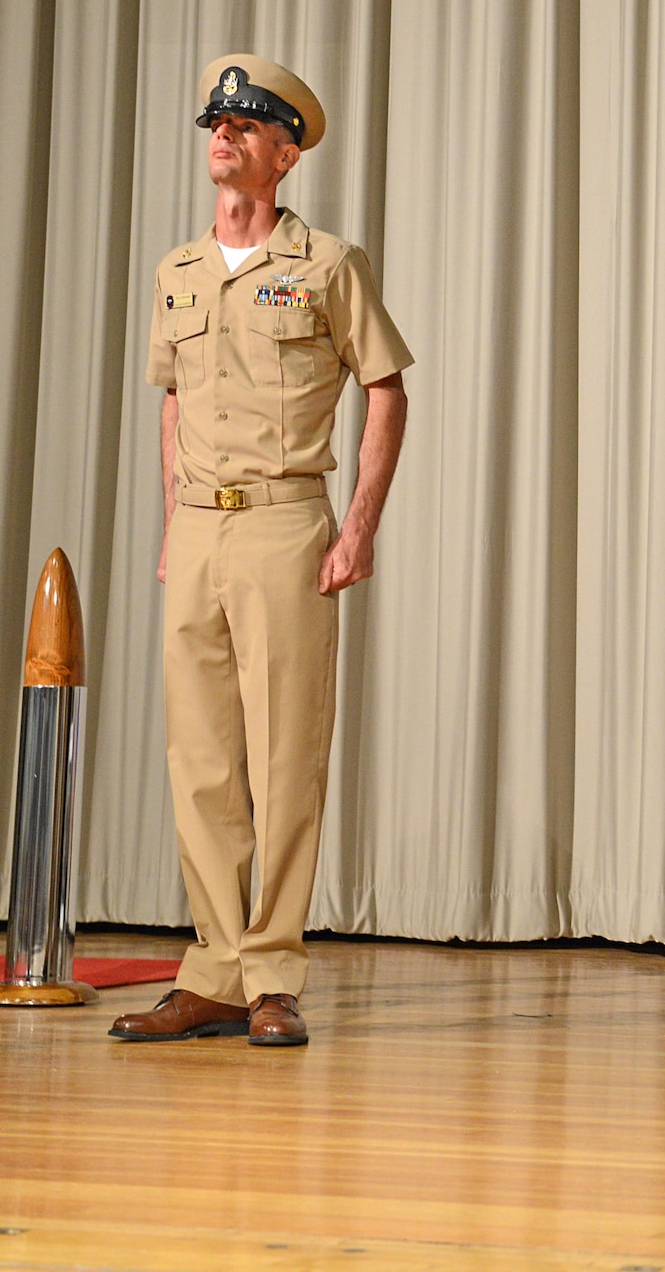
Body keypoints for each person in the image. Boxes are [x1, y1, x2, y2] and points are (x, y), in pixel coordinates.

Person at [111, 55, 413, 1048]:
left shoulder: (327, 265)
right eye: (217, 124)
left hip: (287, 520)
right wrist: (169, 523)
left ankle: (273, 971)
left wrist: (358, 522)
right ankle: (213, 970)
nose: (225, 138)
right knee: (199, 758)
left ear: (286, 152)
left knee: (284, 754)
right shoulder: (177, 271)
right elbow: (171, 402)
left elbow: (385, 387)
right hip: (198, 527)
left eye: (246, 127)